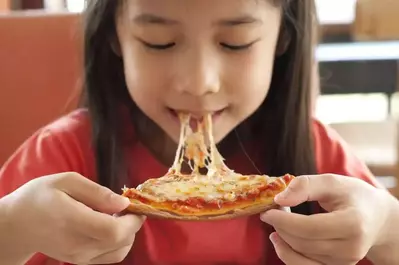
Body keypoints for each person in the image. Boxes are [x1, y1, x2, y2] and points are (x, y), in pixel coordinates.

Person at [0, 0, 398, 264]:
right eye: (160, 42)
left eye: (235, 43)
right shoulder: (63, 155)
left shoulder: (316, 154)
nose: (199, 82)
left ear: (284, 39)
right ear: (114, 38)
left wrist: (385, 228)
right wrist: (13, 227)